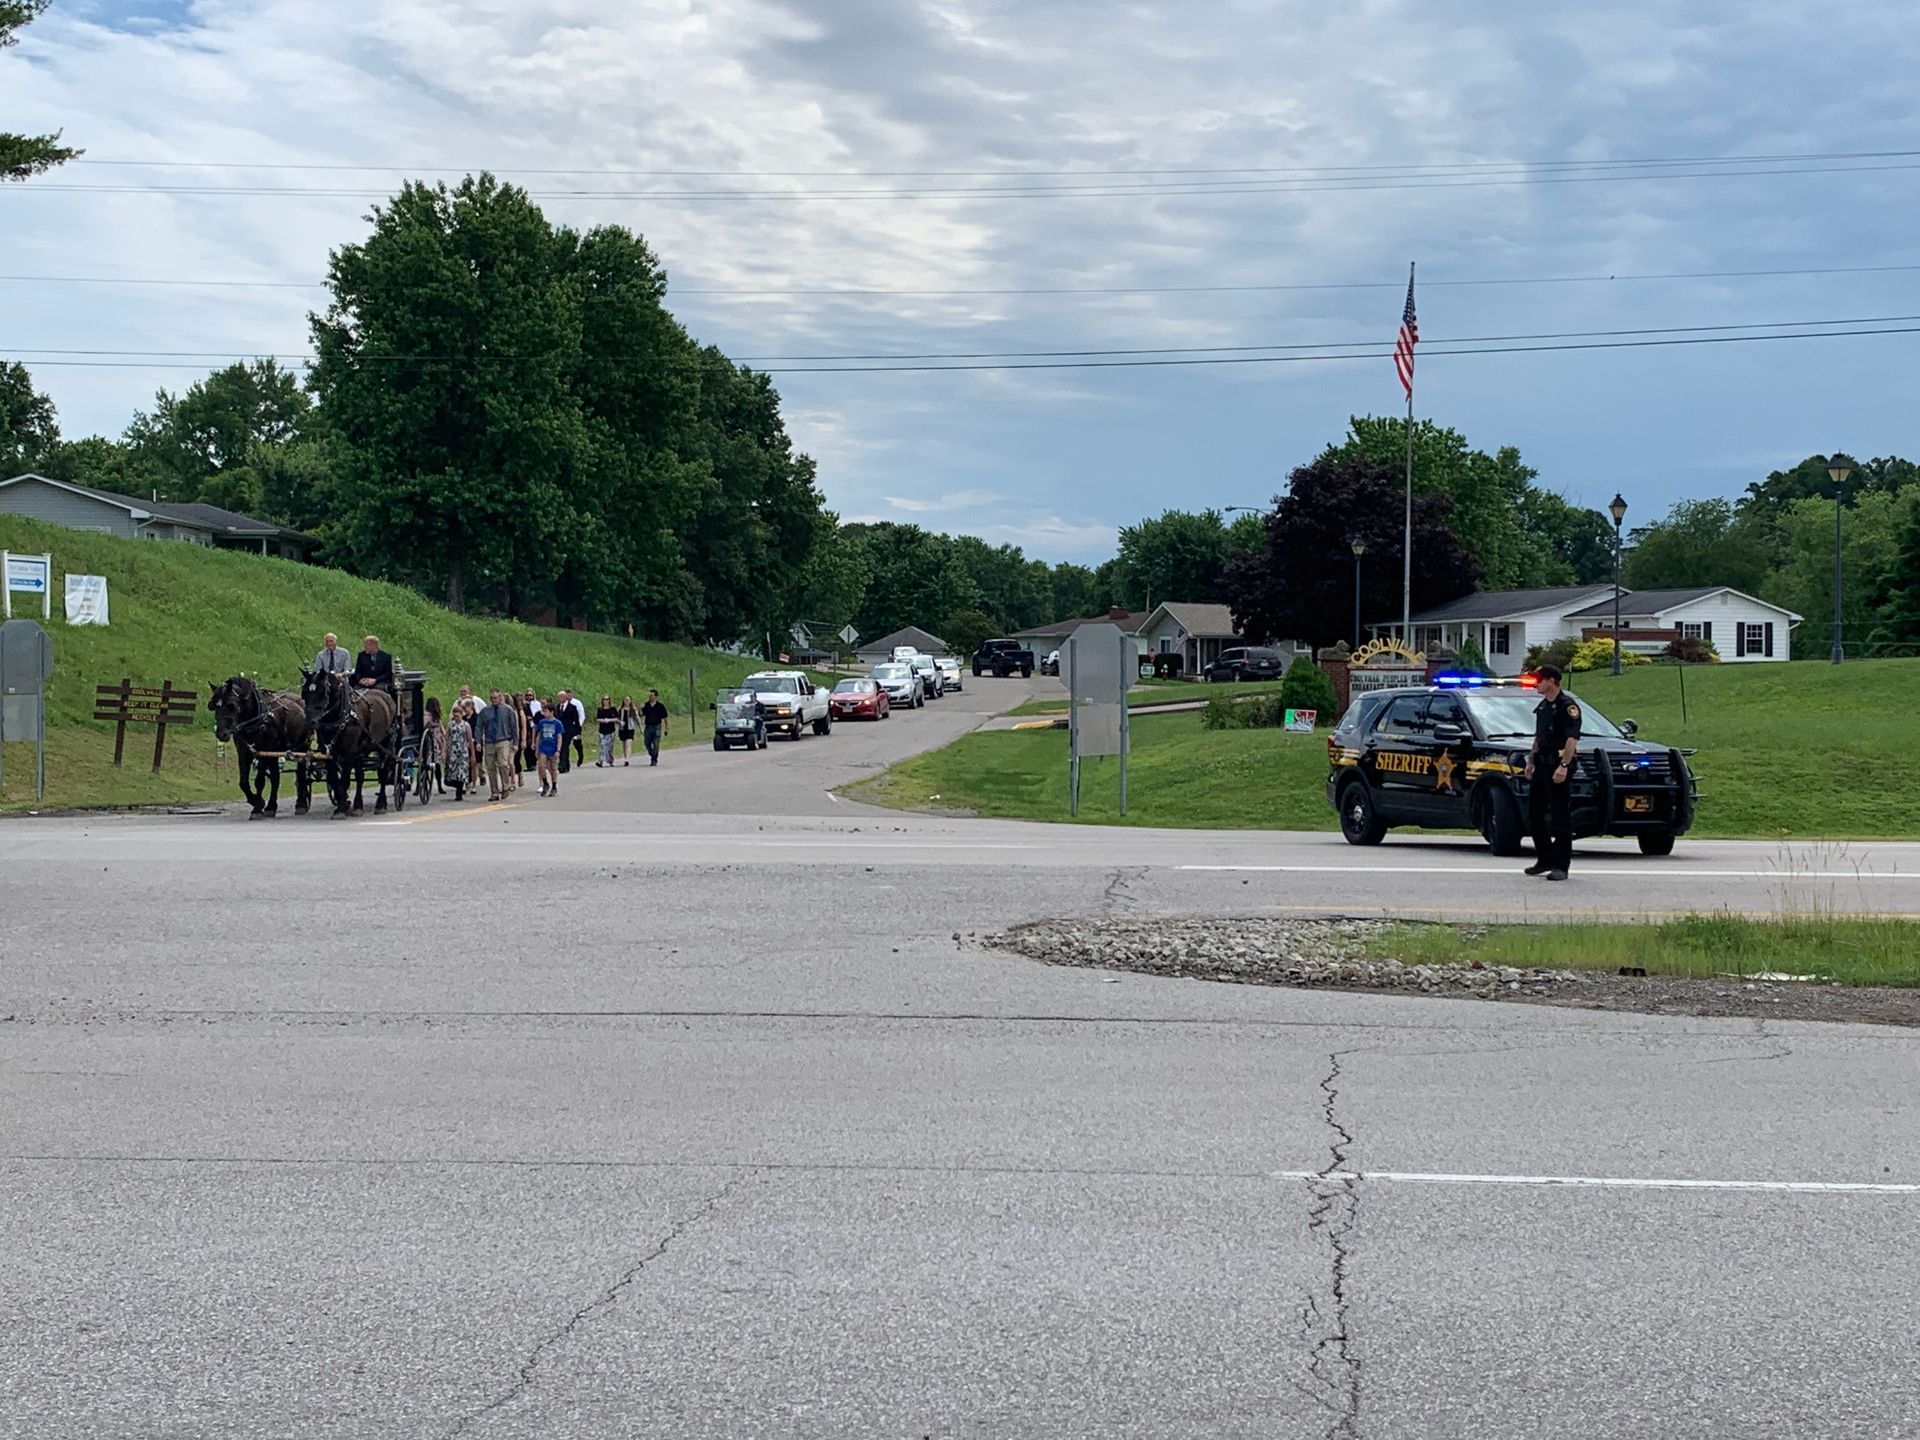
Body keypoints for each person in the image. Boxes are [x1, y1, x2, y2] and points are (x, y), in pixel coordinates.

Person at [1523, 664, 1581, 881]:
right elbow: (1538, 737)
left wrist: (1563, 766)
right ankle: (1544, 859)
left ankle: (1561, 865)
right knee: (1535, 815)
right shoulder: (1543, 707)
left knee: (1559, 816)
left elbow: (1571, 739)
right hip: (1542, 764)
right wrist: (1530, 761)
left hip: (1559, 766)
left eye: (1539, 679)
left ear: (1551, 681)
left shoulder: (1568, 706)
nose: (1536, 683)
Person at [477, 690, 518, 802]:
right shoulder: (485, 711)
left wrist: (515, 742)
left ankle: (505, 786)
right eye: (491, 698)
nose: (493, 700)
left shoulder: (508, 710)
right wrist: (478, 741)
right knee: (490, 767)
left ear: (500, 697)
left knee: (503, 763)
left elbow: (514, 727)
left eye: (495, 698)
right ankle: (494, 791)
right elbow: (479, 726)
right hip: (489, 741)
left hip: (503, 740)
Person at [534, 701, 566, 797]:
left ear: (551, 712)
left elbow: (559, 737)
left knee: (553, 768)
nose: (544, 713)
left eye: (546, 711)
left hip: (553, 747)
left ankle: (554, 786)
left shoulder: (557, 723)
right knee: (541, 766)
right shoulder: (542, 722)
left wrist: (558, 750)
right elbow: (539, 735)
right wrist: (536, 748)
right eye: (543, 711)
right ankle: (545, 783)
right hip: (544, 747)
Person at [444, 701, 473, 802]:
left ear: (461, 715)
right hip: (453, 751)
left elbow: (469, 740)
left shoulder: (466, 725)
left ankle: (459, 793)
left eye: (458, 715)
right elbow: (446, 738)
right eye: (455, 715)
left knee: (461, 772)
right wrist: (444, 751)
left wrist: (472, 754)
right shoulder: (450, 725)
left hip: (463, 751)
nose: (456, 717)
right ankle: (456, 786)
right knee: (452, 771)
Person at [422, 697, 446, 795]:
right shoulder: (428, 715)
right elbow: (426, 725)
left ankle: (439, 785)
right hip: (431, 741)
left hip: (435, 741)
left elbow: (440, 727)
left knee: (435, 765)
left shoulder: (435, 716)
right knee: (434, 765)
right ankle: (438, 786)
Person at [641, 689, 669, 767]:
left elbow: (665, 718)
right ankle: (652, 754)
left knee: (656, 743)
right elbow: (641, 714)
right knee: (647, 743)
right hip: (648, 726)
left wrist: (666, 728)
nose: (650, 696)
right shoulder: (646, 705)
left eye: (651, 695)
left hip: (657, 726)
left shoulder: (660, 706)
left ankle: (654, 759)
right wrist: (640, 708)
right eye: (649, 695)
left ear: (656, 696)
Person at [557, 690, 583, 773]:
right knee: (562, 747)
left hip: (569, 730)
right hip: (560, 730)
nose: (559, 699)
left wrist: (578, 731)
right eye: (558, 697)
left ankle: (562, 765)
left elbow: (576, 720)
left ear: (565, 697)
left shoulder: (572, 707)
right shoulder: (557, 707)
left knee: (565, 746)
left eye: (561, 697)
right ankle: (565, 765)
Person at [595, 695, 618, 768]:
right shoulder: (600, 709)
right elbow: (597, 719)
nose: (605, 701)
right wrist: (602, 720)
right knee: (602, 745)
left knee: (609, 746)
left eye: (607, 699)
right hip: (602, 730)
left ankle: (610, 760)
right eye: (604, 699)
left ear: (609, 701)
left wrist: (609, 720)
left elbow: (617, 718)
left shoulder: (613, 709)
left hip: (611, 730)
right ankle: (600, 760)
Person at [617, 695, 639, 765]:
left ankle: (627, 760)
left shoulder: (633, 709)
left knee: (628, 744)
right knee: (624, 744)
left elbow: (637, 719)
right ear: (623, 701)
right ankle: (625, 757)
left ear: (630, 701)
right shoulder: (620, 709)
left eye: (628, 700)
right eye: (625, 700)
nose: (627, 701)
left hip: (630, 729)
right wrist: (619, 722)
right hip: (622, 729)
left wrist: (640, 728)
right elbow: (616, 718)